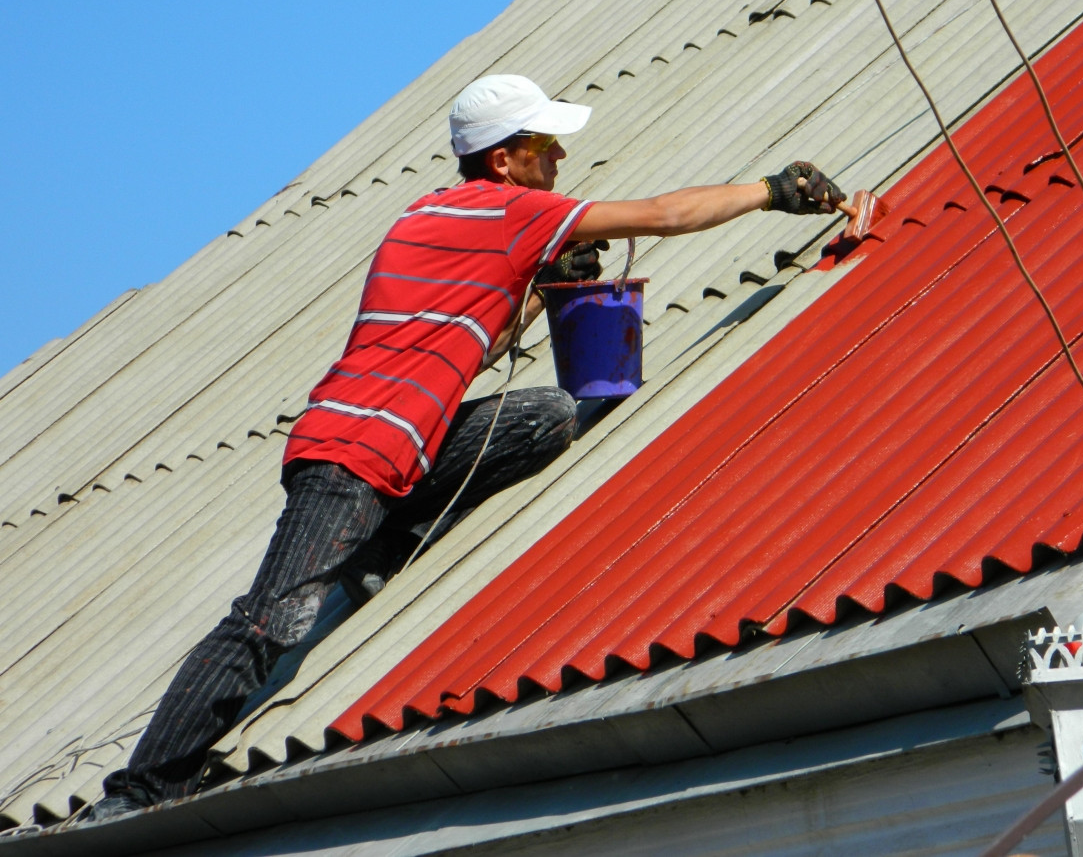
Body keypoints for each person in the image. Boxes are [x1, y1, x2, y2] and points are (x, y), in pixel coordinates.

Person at [89, 74, 844, 820]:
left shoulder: (435, 214)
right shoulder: (508, 209)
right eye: (546, 147)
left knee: (545, 415)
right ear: (504, 161)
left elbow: (465, 348)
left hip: (402, 447)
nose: (558, 163)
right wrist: (770, 190)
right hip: (354, 451)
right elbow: (661, 214)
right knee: (270, 622)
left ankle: (388, 532)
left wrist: (538, 287)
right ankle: (140, 789)